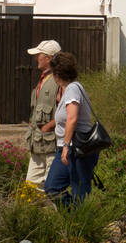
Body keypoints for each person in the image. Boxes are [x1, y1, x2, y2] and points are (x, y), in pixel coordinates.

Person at [44, 52, 98, 205]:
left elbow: (72, 118)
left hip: (77, 148)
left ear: (57, 74)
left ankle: (80, 223)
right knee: (52, 187)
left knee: (79, 191)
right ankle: (73, 218)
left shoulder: (73, 89)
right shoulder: (69, 89)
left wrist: (67, 145)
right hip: (65, 148)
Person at [24, 40, 61, 186]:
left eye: (39, 55)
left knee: (51, 187)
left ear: (49, 58)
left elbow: (66, 113)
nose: (35, 58)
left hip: (52, 145)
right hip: (38, 144)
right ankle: (35, 209)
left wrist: (48, 126)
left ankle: (59, 209)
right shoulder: (42, 79)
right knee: (32, 185)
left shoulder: (58, 80)